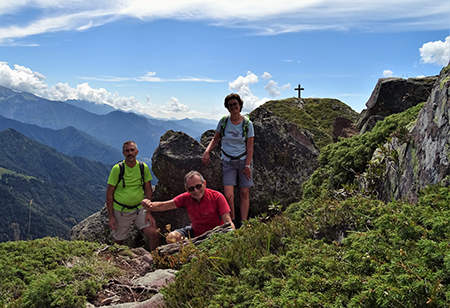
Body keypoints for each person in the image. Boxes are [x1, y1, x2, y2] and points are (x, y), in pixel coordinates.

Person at [202, 93, 255, 227]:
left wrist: (247, 166)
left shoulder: (247, 124)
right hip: (228, 161)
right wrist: (207, 152)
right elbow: (215, 139)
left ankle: (244, 224)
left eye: (235, 104)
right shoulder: (224, 122)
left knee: (244, 193)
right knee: (229, 195)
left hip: (243, 161)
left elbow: (250, 148)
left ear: (240, 105)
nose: (233, 107)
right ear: (227, 107)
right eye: (230, 105)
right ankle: (232, 223)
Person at [141, 170, 235, 243]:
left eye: (198, 186)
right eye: (191, 188)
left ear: (204, 184)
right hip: (195, 232)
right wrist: (149, 205)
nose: (196, 190)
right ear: (187, 190)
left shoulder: (217, 197)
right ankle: (193, 250)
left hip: (216, 233)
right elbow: (163, 206)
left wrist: (234, 238)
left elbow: (228, 221)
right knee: (171, 238)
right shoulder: (185, 198)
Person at [106, 141, 159, 250]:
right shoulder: (117, 169)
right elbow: (109, 194)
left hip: (140, 209)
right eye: (127, 150)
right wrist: (111, 217)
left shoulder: (142, 167)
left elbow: (148, 191)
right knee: (118, 241)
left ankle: (154, 261)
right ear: (123, 153)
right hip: (121, 211)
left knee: (154, 234)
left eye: (132, 150)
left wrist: (148, 212)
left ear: (137, 152)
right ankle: (114, 263)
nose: (130, 153)